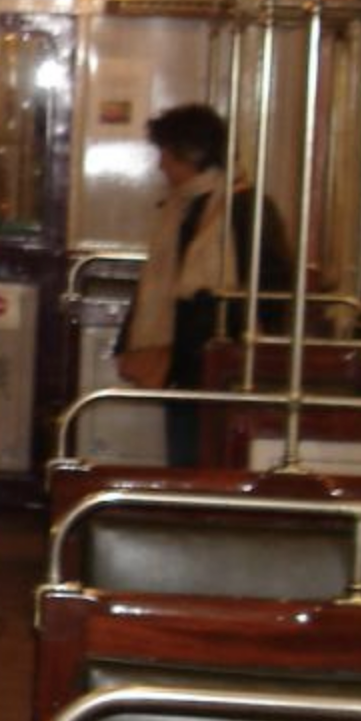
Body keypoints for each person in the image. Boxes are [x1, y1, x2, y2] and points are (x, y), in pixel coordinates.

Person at [118, 103, 292, 467]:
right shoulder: (180, 207)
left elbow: (273, 284)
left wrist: (252, 339)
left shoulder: (245, 208)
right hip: (183, 355)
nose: (160, 164)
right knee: (184, 444)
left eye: (165, 153)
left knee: (213, 448)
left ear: (190, 154)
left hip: (225, 356)